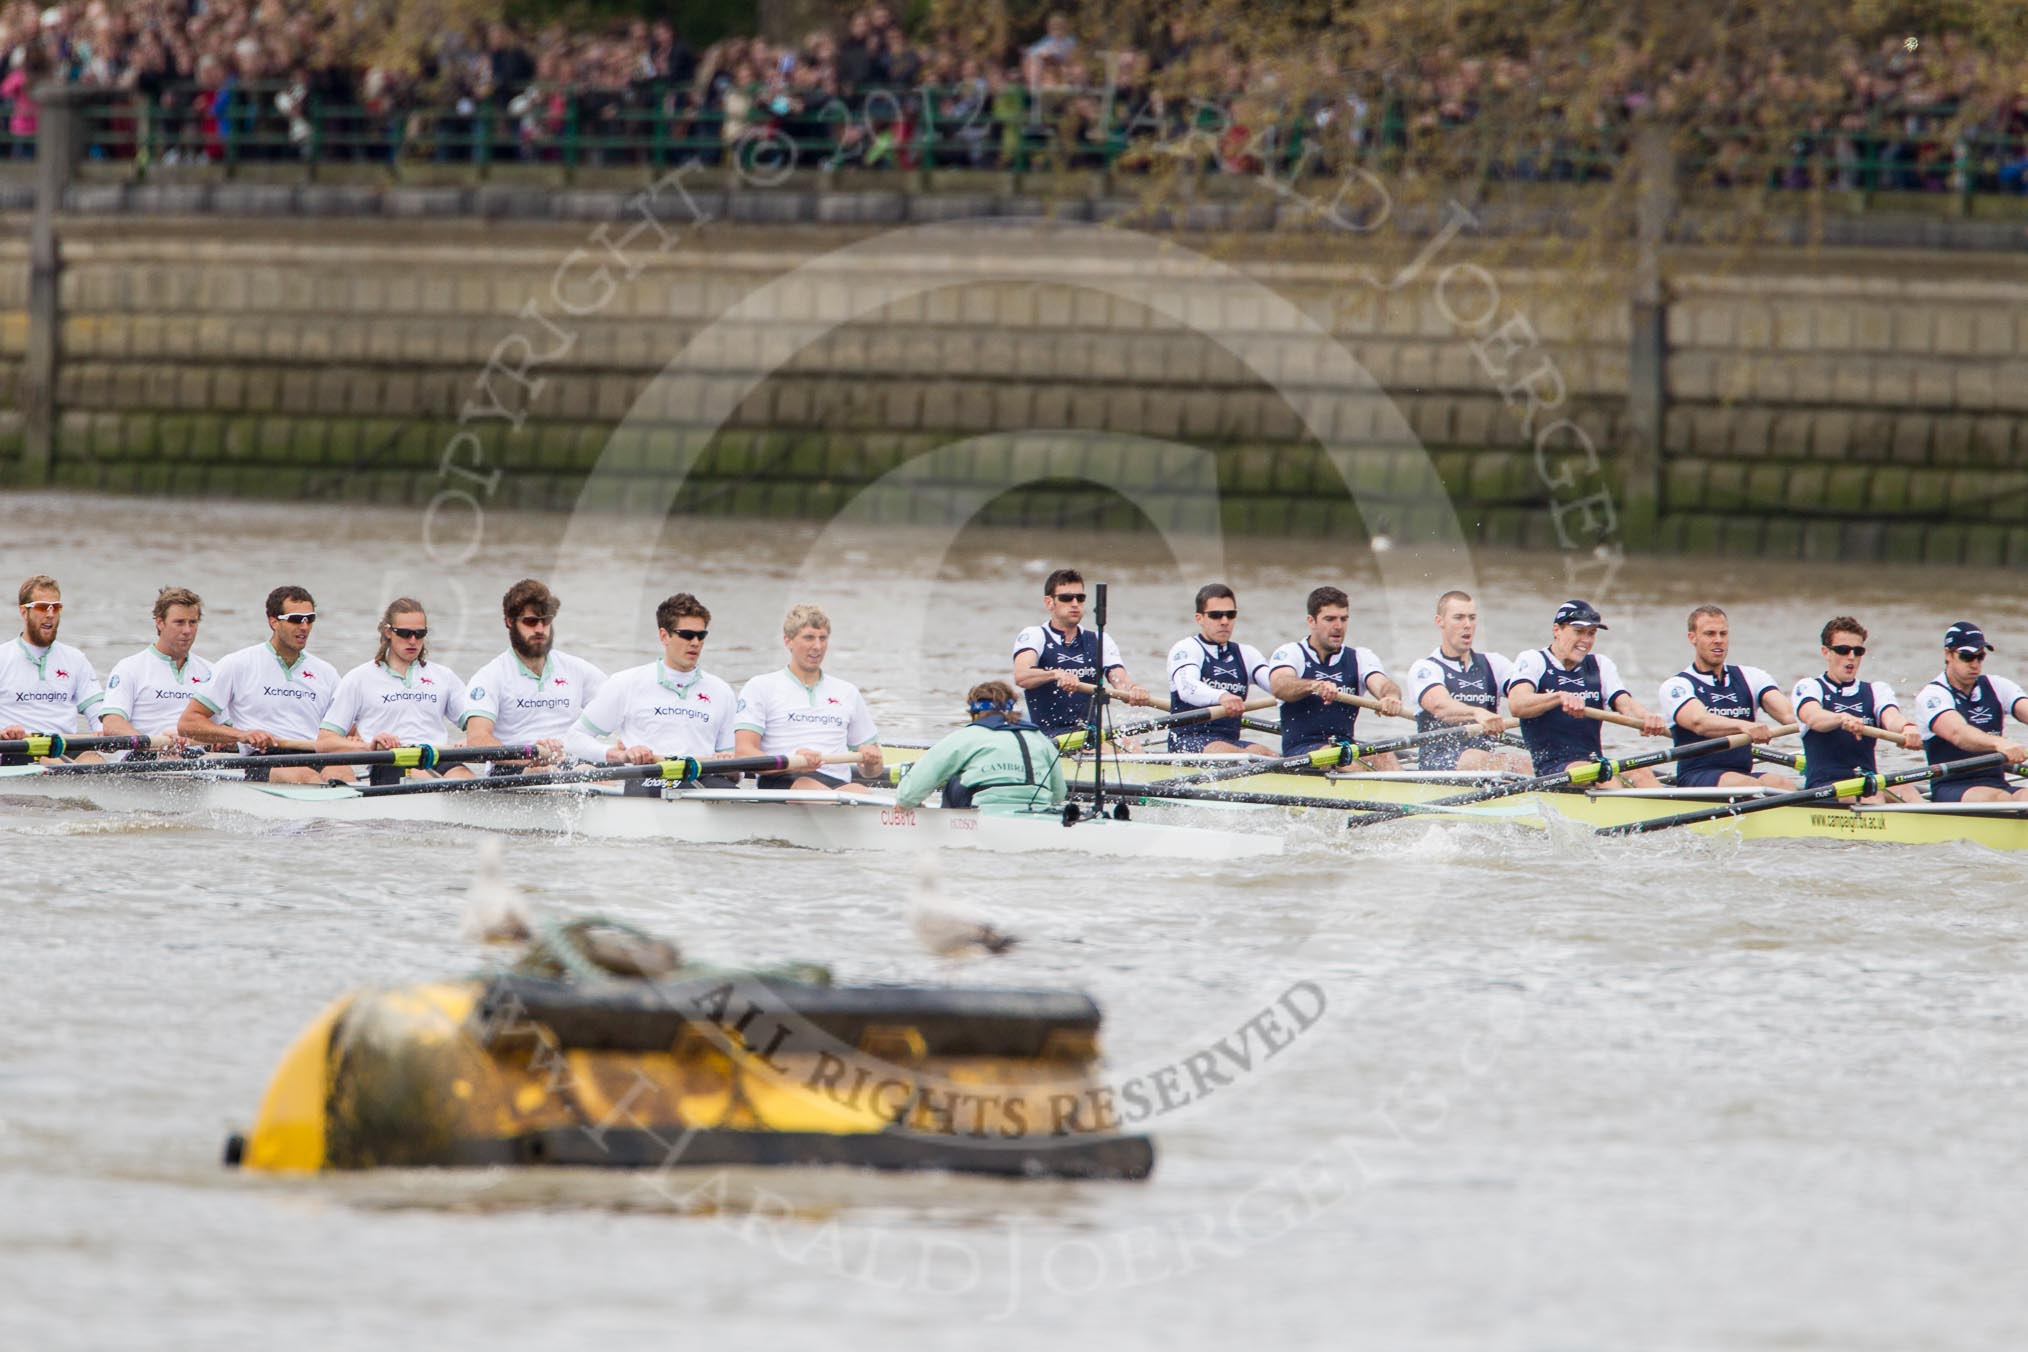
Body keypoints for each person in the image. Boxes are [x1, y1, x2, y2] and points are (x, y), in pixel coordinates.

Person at [178, 585, 339, 785]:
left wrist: (362, 737)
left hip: (313, 752)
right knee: (306, 778)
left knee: (343, 773)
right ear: (273, 621)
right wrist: (242, 735)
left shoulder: (326, 672)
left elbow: (345, 730)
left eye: (310, 619)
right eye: (296, 619)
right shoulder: (238, 664)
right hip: (263, 756)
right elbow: (188, 723)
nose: (304, 627)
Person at [565, 593, 736, 776]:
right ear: (664, 636)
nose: (695, 642)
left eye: (701, 635)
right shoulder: (626, 683)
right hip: (645, 779)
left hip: (702, 781)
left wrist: (731, 766)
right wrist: (620, 756)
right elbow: (575, 739)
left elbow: (737, 771)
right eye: (687, 635)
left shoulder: (721, 691)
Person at [1504, 599, 1668, 787]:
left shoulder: (1600, 665)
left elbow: (1625, 704)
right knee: (1601, 777)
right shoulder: (1534, 660)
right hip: (1553, 771)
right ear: (1557, 630)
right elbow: (1517, 704)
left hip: (1594, 763)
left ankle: (1672, 813)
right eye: (1579, 632)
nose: (1586, 640)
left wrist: (1647, 717)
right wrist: (1558, 697)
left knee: (1642, 772)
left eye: (1591, 633)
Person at [317, 598, 471, 783]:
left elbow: (478, 726)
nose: (413, 641)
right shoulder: (359, 678)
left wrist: (474, 738)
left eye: (420, 634)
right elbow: (324, 742)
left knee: (465, 779)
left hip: (436, 756)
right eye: (405, 633)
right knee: (432, 782)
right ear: (388, 632)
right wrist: (369, 747)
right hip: (389, 761)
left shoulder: (444, 676)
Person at [735, 604, 885, 792]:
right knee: (808, 787)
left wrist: (871, 760)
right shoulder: (760, 686)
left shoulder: (847, 692)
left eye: (823, 638)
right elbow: (743, 753)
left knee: (860, 791)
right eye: (809, 638)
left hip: (836, 784)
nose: (817, 646)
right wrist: (794, 762)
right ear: (788, 641)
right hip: (783, 778)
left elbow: (873, 772)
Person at [460, 578, 606, 769]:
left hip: (571, 763)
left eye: (545, 621)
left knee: (592, 770)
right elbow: (477, 740)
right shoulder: (490, 677)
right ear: (509, 622)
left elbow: (623, 709)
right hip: (515, 767)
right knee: (551, 770)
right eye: (530, 622)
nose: (539, 629)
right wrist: (530, 756)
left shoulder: (577, 669)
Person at [1656, 604, 1799, 789]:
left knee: (1782, 784)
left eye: (1723, 634)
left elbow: (1789, 715)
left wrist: (1831, 720)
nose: (1718, 640)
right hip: (1697, 776)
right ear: (1692, 638)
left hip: (1742, 775)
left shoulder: (1752, 677)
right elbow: (1699, 722)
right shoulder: (1677, 686)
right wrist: (1742, 725)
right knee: (1748, 785)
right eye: (1710, 634)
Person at [1265, 585, 1406, 767]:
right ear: (1312, 621)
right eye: (1329, 619)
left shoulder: (1360, 657)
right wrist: (1314, 686)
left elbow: (1383, 684)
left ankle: (1402, 792)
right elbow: (1279, 685)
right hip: (1302, 753)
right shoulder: (1291, 653)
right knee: (1342, 759)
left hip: (1344, 747)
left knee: (1385, 755)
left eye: (1343, 619)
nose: (1338, 626)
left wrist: (1390, 697)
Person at [1791, 616, 1923, 804]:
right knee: (1874, 797)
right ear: (1826, 652)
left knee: (1907, 790)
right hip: (1826, 789)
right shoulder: (1809, 687)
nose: (1851, 657)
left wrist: (1907, 727)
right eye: (1843, 650)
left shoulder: (1876, 690)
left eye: (1858, 651)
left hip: (1868, 783)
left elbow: (1891, 718)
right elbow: (1813, 717)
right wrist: (1841, 719)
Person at [1012, 567, 1150, 740]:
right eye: (1066, 598)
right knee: (1111, 750)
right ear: (1049, 602)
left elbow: (1120, 682)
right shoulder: (1034, 635)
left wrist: (1134, 690)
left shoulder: (1100, 640)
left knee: (1132, 746)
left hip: (1089, 735)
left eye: (1080, 598)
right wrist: (1055, 674)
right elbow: (1021, 676)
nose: (1075, 603)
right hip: (1049, 738)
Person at [1405, 589, 1526, 773]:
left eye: (1472, 617)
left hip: (1486, 764)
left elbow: (1522, 697)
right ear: (1440, 622)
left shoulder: (1495, 664)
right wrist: (1477, 713)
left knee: (1528, 762)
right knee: (1492, 760)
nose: (1467, 625)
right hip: (1439, 766)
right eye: (1459, 617)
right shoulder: (1425, 668)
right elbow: (1441, 707)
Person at [895, 680, 1065, 810]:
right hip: (1038, 811)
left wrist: (906, 804)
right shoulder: (1039, 738)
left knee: (955, 778)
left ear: (974, 713)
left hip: (984, 809)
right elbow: (1058, 794)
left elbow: (909, 793)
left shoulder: (967, 736)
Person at [1912, 621, 2028, 802]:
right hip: (1952, 787)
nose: (1975, 664)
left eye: (1980, 657)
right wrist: (1999, 743)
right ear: (1948, 654)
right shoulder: (1932, 695)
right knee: (2001, 799)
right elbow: (1958, 733)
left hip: (1997, 784)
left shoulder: (1997, 686)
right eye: (1967, 656)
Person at [0, 574, 106, 762]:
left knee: (93, 760)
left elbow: (98, 712)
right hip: (17, 747)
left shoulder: (75, 659)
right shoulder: (3, 657)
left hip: (64, 745)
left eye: (56, 607)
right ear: (24, 612)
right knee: (52, 762)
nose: (50, 614)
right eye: (42, 607)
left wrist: (105, 730)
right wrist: (3, 733)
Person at [99, 586, 212, 753]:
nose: (187, 630)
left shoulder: (210, 671)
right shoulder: (130, 668)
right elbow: (112, 724)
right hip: (145, 756)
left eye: (193, 622)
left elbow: (226, 726)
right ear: (160, 623)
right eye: (179, 622)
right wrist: (153, 746)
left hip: (196, 756)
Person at [1165, 583, 1272, 755]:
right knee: (1240, 755)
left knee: (1268, 755)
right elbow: (1188, 689)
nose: (1224, 621)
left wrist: (1308, 687)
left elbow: (1277, 685)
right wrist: (1221, 696)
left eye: (1230, 615)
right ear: (1199, 618)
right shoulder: (1186, 649)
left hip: (1229, 741)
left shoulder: (1247, 654)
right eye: (1216, 615)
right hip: (1187, 741)